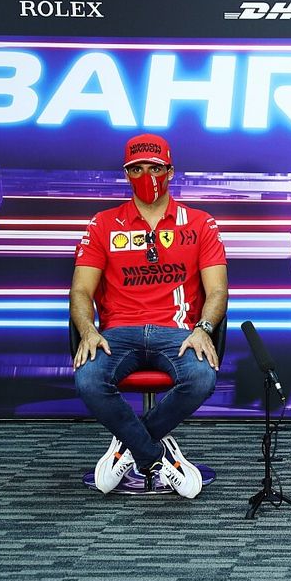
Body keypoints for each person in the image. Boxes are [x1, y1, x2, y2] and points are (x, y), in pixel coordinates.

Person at [71, 134, 228, 498]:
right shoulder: (103, 224)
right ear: (126, 174)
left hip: (177, 332)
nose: (147, 175)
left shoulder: (201, 223)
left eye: (155, 167)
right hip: (117, 333)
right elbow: (80, 290)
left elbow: (218, 290)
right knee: (89, 381)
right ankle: (156, 457)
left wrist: (204, 328)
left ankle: (127, 447)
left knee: (202, 377)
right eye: (137, 169)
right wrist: (88, 331)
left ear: (170, 171)